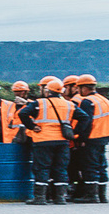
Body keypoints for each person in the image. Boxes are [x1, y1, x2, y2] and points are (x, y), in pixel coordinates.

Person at [22, 74, 73, 203]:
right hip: (62, 141)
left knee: (42, 168)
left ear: (47, 91)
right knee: (60, 168)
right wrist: (74, 131)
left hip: (43, 140)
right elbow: (84, 117)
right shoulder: (68, 104)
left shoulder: (39, 103)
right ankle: (60, 197)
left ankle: (40, 197)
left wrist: (32, 126)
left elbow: (23, 113)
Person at [67, 75, 109, 204]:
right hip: (104, 137)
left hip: (92, 137)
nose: (78, 91)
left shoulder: (87, 102)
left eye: (79, 88)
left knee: (90, 166)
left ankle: (91, 195)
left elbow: (86, 122)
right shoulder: (104, 100)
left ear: (84, 88)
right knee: (101, 166)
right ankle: (102, 195)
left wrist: (80, 137)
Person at [1, 81, 31, 200]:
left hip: (28, 140)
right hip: (11, 142)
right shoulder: (10, 106)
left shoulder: (32, 104)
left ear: (26, 92)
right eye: (16, 92)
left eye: (21, 92)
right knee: (14, 168)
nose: (19, 94)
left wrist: (27, 104)